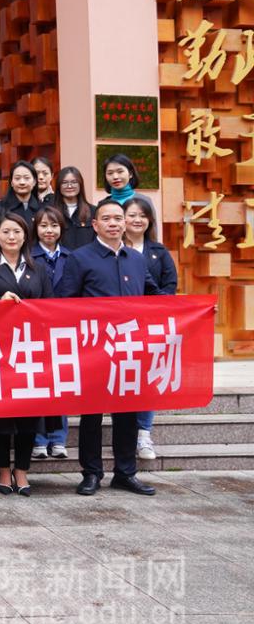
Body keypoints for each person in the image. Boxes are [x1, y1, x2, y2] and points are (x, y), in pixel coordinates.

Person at [57, 200, 159, 496]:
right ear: (95, 224)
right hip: (93, 350)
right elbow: (65, 301)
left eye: (118, 218)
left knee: (127, 415)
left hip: (129, 348)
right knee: (91, 416)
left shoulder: (136, 259)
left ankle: (125, 473)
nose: (113, 223)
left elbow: (154, 295)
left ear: (125, 223)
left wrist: (194, 309)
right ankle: (91, 473)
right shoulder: (80, 258)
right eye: (107, 219)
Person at [0, 213, 59, 496]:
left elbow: (50, 307)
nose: (11, 237)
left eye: (17, 231)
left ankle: (22, 470)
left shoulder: (37, 269)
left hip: (30, 351)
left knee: (28, 415)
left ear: (25, 236)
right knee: (1, 417)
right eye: (6, 231)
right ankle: (3, 470)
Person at [123, 195, 179, 461]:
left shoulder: (159, 252)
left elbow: (169, 288)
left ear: (150, 220)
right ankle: (124, 434)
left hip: (149, 325)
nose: (137, 220)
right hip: (117, 327)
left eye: (142, 215)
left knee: (147, 380)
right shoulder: (111, 249)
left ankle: (144, 433)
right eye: (132, 215)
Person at [31, 205, 71, 460]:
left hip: (63, 328)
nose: (49, 230)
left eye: (54, 225)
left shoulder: (71, 257)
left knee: (60, 384)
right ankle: (39, 439)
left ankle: (58, 439)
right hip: (35, 329)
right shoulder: (28, 257)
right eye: (44, 225)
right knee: (37, 383)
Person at [53, 166, 95, 249]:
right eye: (64, 182)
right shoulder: (51, 212)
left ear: (80, 184)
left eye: (74, 182)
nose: (69, 186)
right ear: (59, 186)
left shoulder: (93, 211)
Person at [0, 160, 43, 227]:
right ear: (11, 182)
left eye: (26, 178)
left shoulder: (42, 207)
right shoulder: (1, 207)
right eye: (17, 178)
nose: (22, 182)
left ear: (34, 182)